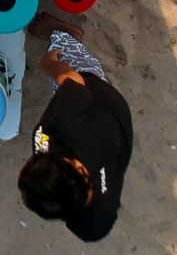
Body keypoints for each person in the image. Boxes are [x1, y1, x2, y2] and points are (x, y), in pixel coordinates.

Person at [18, 18, 133, 241]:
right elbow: (71, 78)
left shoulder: (93, 225)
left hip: (116, 135)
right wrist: (49, 64)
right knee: (74, 65)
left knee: (64, 92)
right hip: (99, 98)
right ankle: (67, 36)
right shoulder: (74, 122)